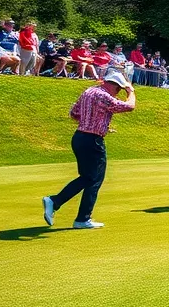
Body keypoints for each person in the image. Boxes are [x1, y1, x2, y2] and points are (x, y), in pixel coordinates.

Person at [41, 70, 136, 229]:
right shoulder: (104, 96)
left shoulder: (89, 91)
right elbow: (129, 106)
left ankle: (59, 204)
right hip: (93, 141)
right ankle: (77, 216)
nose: (118, 91)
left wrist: (95, 122)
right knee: (94, 179)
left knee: (87, 177)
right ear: (112, 84)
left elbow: (74, 113)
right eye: (118, 88)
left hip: (79, 137)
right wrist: (131, 91)